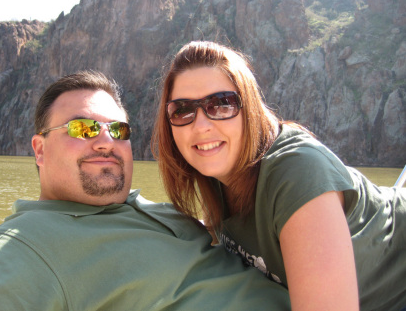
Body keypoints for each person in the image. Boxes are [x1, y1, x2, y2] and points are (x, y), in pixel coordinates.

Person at [0, 71, 290, 310]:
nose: (105, 142)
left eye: (119, 130)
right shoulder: (23, 247)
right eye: (83, 128)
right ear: (39, 150)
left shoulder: (152, 209)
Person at [152, 41, 406, 311]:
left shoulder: (297, 175)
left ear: (248, 107)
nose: (201, 125)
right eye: (182, 110)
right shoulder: (217, 171)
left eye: (221, 104)